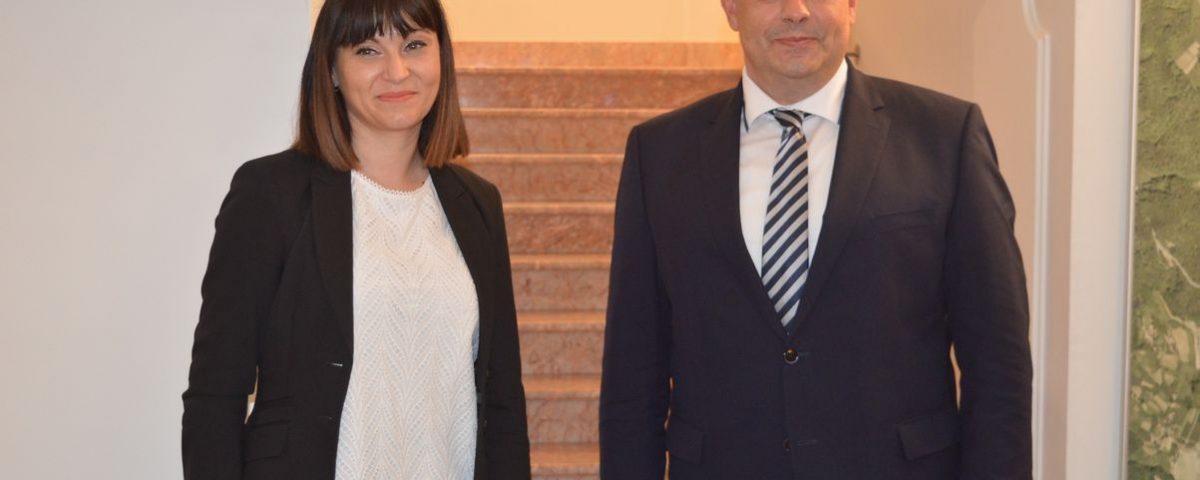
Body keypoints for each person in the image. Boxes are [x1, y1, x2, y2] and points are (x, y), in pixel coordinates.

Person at [599, 0, 1032, 478]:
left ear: (852, 5)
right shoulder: (660, 154)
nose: (796, 11)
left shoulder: (945, 137)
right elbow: (632, 375)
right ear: (731, 8)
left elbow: (997, 365)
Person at [181, 0, 530, 478]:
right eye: (368, 50)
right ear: (331, 69)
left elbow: (504, 401)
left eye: (414, 45)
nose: (397, 70)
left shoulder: (478, 204)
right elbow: (215, 395)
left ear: (442, 58)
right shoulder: (272, 195)